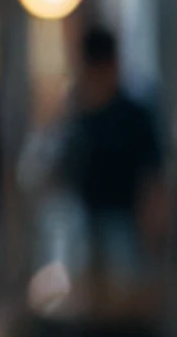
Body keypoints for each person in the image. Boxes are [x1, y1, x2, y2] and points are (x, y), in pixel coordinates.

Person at [56, 24, 164, 290]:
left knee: (125, 297)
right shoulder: (78, 113)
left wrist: (153, 227)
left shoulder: (134, 115)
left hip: (124, 223)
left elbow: (152, 178)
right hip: (84, 219)